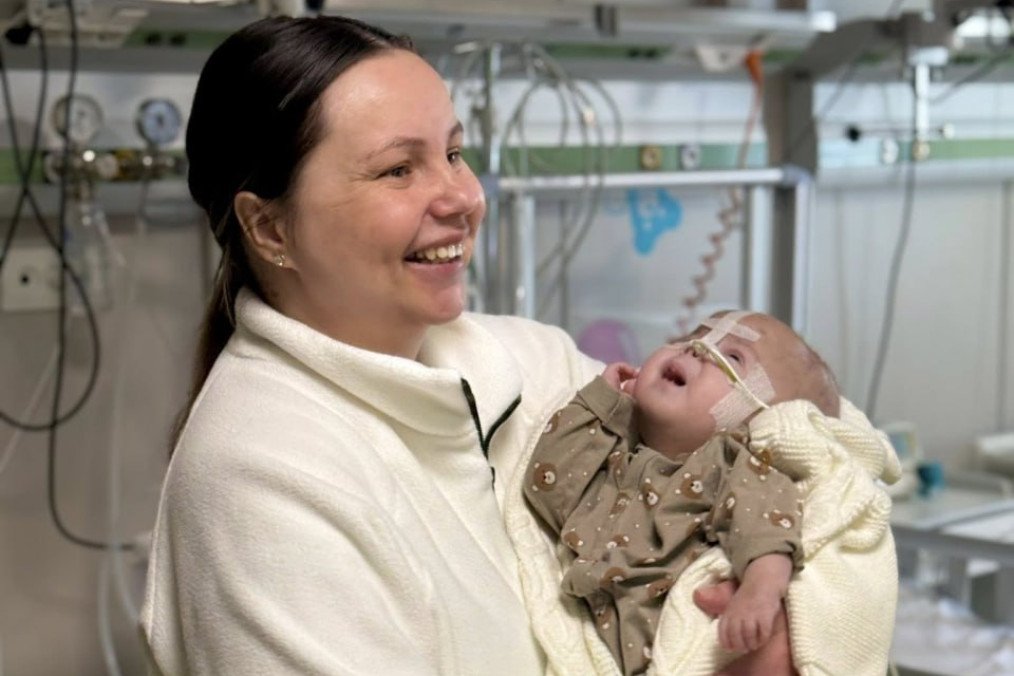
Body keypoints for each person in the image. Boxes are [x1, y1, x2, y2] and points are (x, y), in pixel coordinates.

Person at [140, 14, 890, 676]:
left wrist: (799, 616)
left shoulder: (528, 364)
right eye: (398, 169)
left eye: (454, 153)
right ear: (270, 227)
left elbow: (806, 435)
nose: (463, 198)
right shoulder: (262, 485)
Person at [523, 310, 839, 675]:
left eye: (733, 357)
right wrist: (596, 407)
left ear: (764, 420)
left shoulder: (728, 465)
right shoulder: (614, 451)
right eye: (695, 337)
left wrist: (760, 590)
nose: (698, 350)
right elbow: (547, 489)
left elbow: (765, 521)